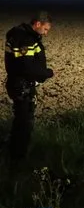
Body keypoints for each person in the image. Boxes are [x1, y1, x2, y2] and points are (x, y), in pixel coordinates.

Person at [4, 11, 54, 162]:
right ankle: (18, 160)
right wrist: (47, 73)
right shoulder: (26, 39)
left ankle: (15, 154)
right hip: (22, 86)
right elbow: (26, 67)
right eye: (45, 29)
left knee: (20, 121)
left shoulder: (19, 35)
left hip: (18, 84)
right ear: (37, 24)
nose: (45, 33)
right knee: (24, 124)